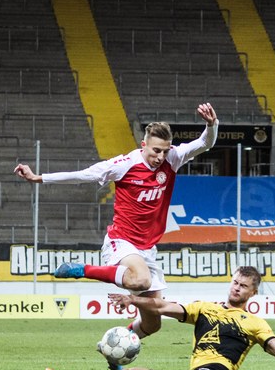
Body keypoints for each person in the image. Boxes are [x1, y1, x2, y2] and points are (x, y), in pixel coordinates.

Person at [14, 103, 218, 351]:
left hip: (147, 249)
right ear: (143, 145)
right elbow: (84, 175)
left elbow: (204, 143)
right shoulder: (125, 164)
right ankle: (82, 269)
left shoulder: (173, 158)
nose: (160, 157)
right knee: (141, 280)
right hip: (121, 241)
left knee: (152, 324)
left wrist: (211, 125)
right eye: (156, 151)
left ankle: (110, 348)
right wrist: (40, 178)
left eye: (165, 151)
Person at [44, 266, 275, 370]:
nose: (237, 288)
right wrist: (133, 299)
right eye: (235, 282)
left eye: (243, 286)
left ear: (253, 292)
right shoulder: (204, 308)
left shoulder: (255, 323)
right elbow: (163, 306)